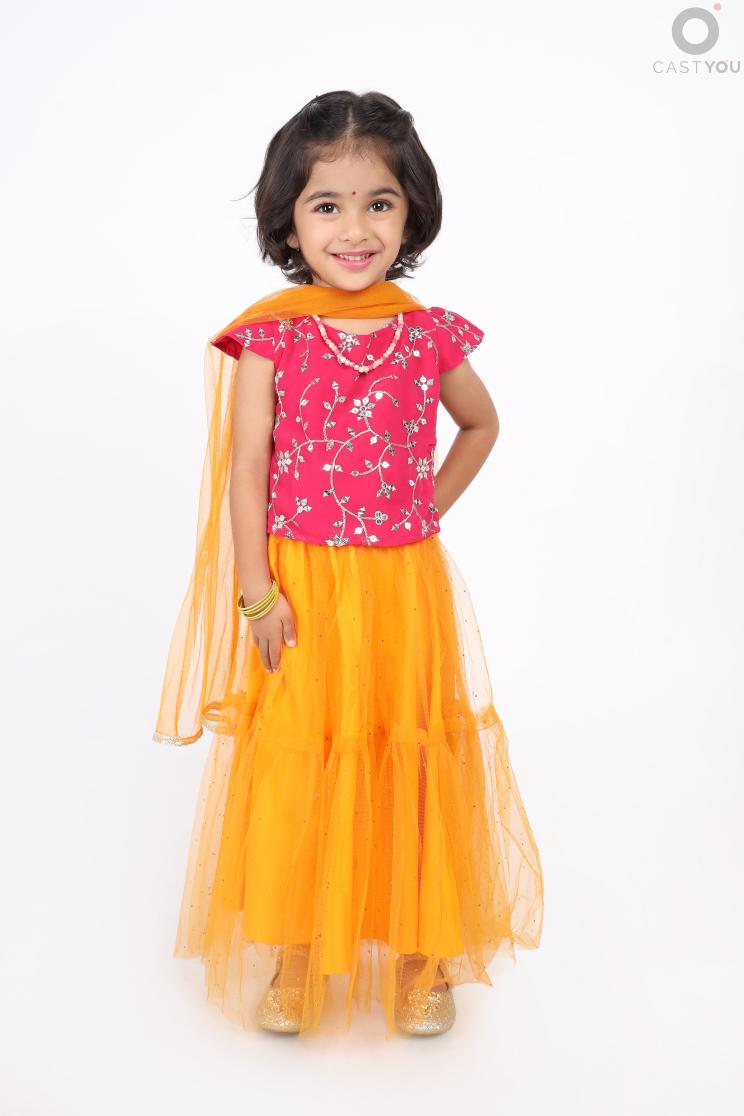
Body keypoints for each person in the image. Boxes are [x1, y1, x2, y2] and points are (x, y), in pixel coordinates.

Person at [152, 89, 544, 1040]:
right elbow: (248, 472)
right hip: (301, 590)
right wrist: (256, 595)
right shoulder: (273, 336)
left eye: (380, 202)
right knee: (302, 758)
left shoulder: (427, 331)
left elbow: (481, 425)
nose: (355, 228)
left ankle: (420, 955)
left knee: (406, 753)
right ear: (289, 220)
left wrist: (422, 508)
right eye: (327, 205)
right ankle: (294, 950)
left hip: (401, 588)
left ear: (412, 213)